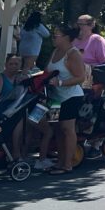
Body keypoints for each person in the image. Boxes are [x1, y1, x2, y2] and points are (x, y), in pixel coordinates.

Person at [36, 24, 86, 174]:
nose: (53, 38)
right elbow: (47, 71)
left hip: (71, 97)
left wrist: (61, 83)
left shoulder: (73, 54)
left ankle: (68, 164)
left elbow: (81, 77)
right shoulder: (55, 51)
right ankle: (60, 162)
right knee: (57, 128)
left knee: (67, 128)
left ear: (65, 37)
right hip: (55, 98)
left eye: (55, 36)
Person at [0, 55, 25, 161]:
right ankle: (16, 153)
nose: (13, 66)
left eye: (16, 64)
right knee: (19, 120)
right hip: (2, 111)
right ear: (6, 65)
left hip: (13, 111)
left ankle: (18, 151)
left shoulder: (19, 78)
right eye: (11, 64)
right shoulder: (0, 78)